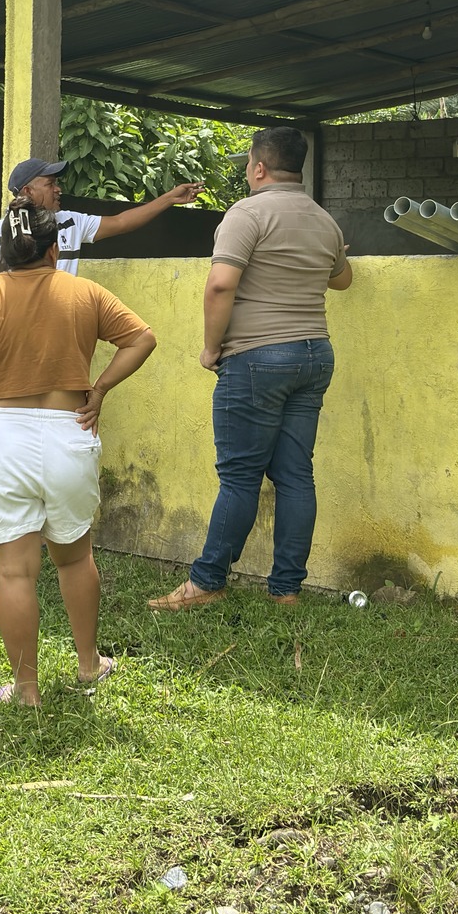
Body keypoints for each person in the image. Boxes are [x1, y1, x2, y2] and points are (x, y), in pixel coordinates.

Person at [0, 197, 158, 705]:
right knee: (75, 559)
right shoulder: (84, 292)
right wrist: (99, 389)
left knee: (14, 571)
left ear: (4, 252)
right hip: (68, 431)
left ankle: (26, 689)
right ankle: (88, 665)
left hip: (1, 435)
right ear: (54, 249)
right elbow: (142, 339)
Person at [149, 127, 353, 612]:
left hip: (258, 357)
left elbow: (221, 285)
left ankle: (206, 582)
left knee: (240, 476)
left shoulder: (247, 213)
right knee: (296, 475)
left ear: (259, 167)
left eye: (246, 165)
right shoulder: (324, 219)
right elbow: (342, 280)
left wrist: (210, 349)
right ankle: (286, 590)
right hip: (314, 354)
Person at [0, 158, 203, 280]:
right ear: (28, 191)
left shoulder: (70, 222)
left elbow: (121, 222)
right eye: (50, 184)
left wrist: (169, 198)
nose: (58, 189)